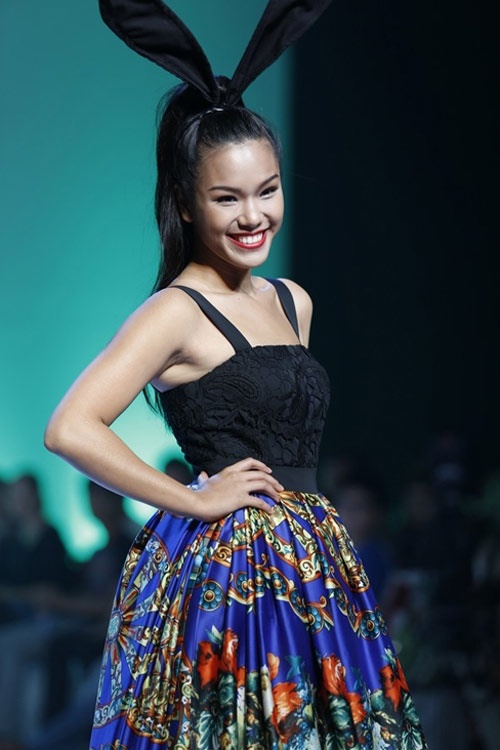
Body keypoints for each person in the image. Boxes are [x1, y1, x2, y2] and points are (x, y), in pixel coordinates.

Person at [44, 0, 428, 747]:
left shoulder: (293, 301)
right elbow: (70, 428)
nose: (254, 215)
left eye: (267, 189)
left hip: (314, 566)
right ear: (186, 204)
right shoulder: (175, 311)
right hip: (229, 580)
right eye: (227, 197)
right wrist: (195, 498)